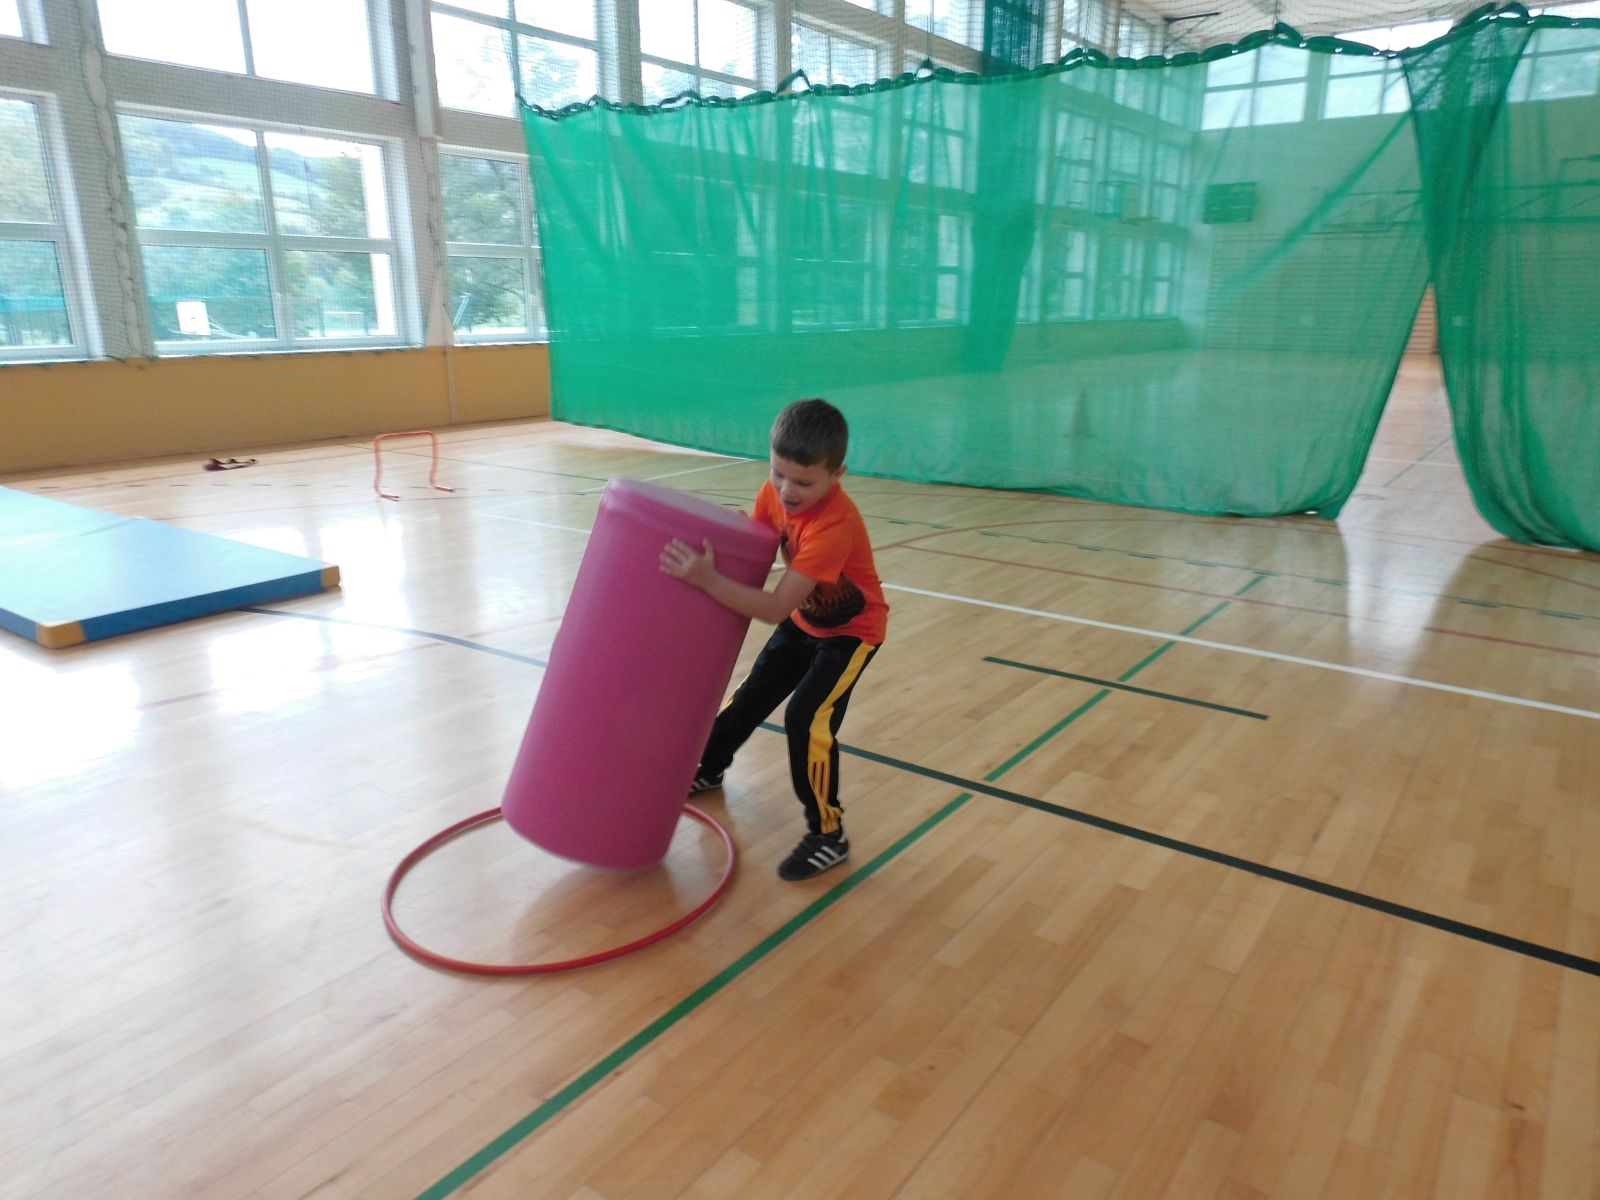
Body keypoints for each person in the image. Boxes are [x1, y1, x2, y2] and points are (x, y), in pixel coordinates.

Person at [660, 398, 888, 881]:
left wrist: (709, 580)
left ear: (837, 475)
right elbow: (755, 550)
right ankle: (710, 767)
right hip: (806, 620)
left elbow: (773, 608)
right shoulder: (773, 493)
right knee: (749, 698)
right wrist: (719, 543)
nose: (786, 491)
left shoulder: (834, 526)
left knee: (806, 719)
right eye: (778, 474)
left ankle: (829, 835)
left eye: (803, 482)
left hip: (850, 635)